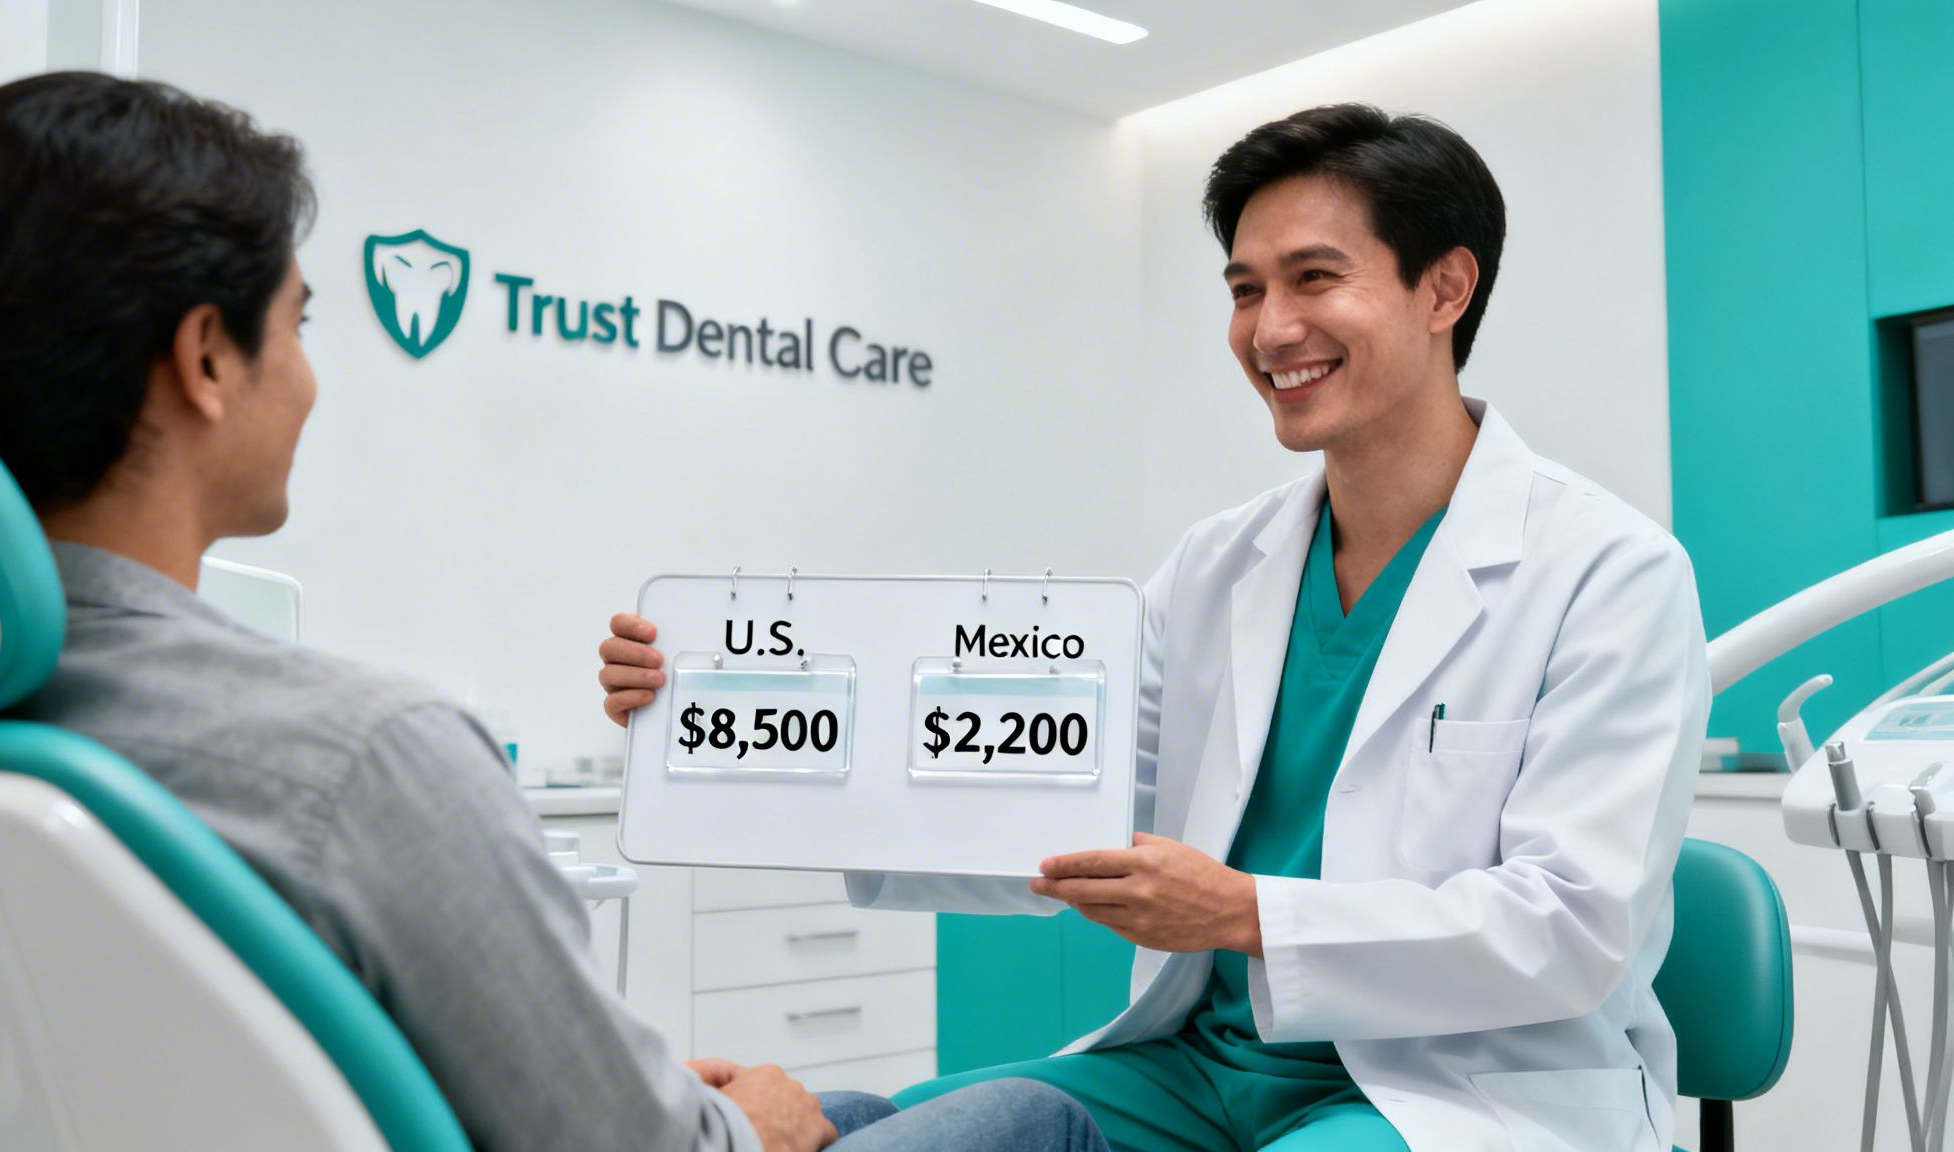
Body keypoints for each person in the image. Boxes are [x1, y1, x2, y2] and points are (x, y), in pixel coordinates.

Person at [0, 71, 1105, 1152]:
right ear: (208, 358)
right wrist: (738, 1129)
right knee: (1034, 1115)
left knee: (861, 1111)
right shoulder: (361, 757)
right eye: (302, 323)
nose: (311, 377)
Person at [600, 104, 1709, 1152]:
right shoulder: (1216, 569)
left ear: (1443, 289)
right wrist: (715, 716)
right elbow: (1046, 813)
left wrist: (1242, 914)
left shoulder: (1609, 574)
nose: (1270, 330)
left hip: (1457, 1087)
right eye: (1244, 289)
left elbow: (1567, 930)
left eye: (1313, 278)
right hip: (1190, 1072)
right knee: (897, 1128)